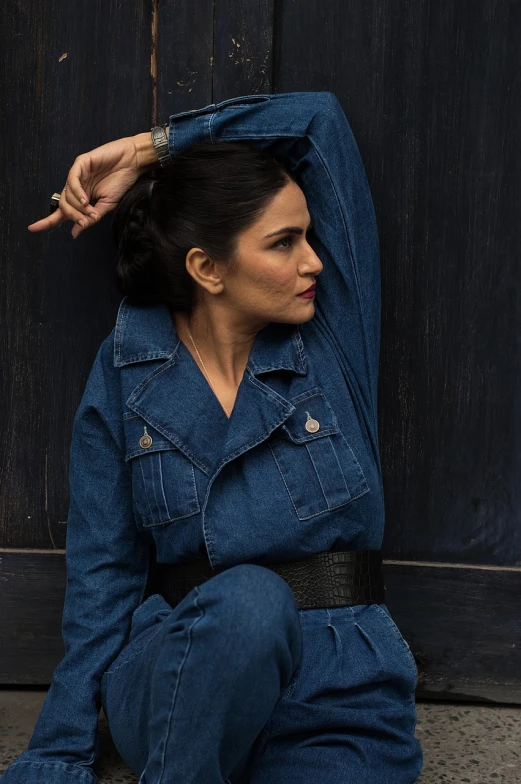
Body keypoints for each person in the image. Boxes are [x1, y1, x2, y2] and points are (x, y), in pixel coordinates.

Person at [1, 92, 423, 784]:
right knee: (250, 602)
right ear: (207, 268)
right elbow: (104, 573)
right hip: (179, 673)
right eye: (283, 243)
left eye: (309, 236)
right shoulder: (126, 373)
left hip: (335, 687)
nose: (314, 261)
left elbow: (317, 122)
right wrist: (58, 750)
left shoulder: (330, 338)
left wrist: (147, 148)